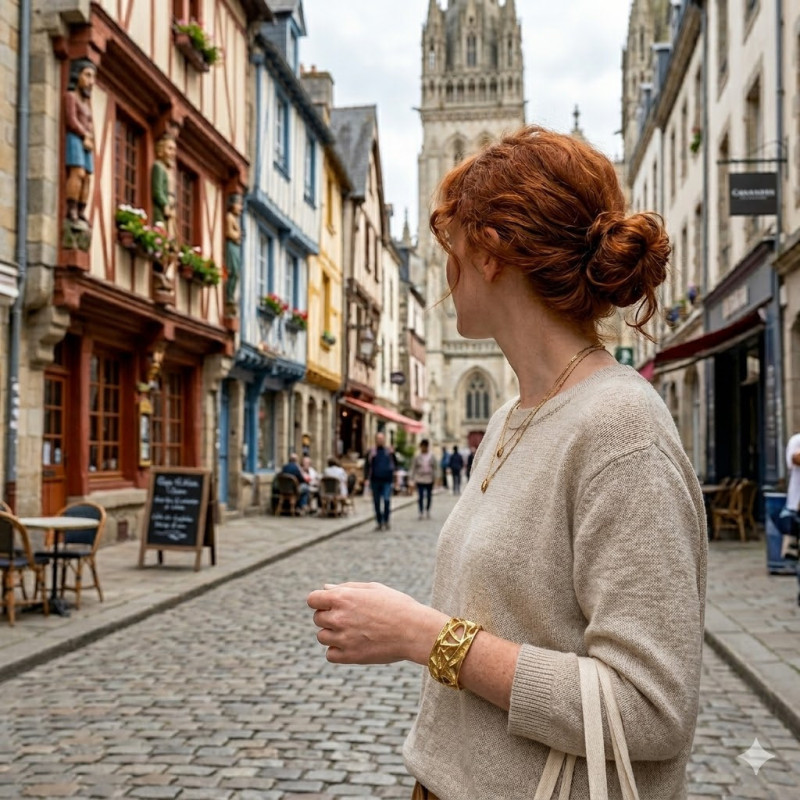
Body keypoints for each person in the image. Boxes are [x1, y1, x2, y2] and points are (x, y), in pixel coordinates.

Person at [308, 126, 706, 799]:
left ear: (491, 252)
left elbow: (650, 710)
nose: (445, 271)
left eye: (451, 246)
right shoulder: (509, 418)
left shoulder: (621, 429)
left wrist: (426, 636)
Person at [64, 59, 96, 227]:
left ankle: (82, 209)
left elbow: (90, 122)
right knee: (78, 173)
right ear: (77, 76)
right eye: (87, 75)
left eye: (92, 77)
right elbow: (71, 120)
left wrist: (90, 137)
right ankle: (72, 208)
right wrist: (85, 135)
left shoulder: (86, 103)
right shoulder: (71, 97)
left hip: (86, 142)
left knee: (88, 177)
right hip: (76, 138)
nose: (91, 81)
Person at [365, 432, 396, 531]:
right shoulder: (372, 452)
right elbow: (367, 466)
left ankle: (386, 521)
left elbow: (395, 464)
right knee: (376, 502)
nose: (380, 440)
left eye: (382, 438)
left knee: (387, 501)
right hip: (375, 480)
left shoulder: (389, 452)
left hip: (387, 480)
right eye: (378, 438)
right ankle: (379, 522)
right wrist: (366, 478)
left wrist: (394, 478)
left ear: (384, 440)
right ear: (375, 440)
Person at [225, 193, 243, 313]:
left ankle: (230, 296)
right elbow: (228, 233)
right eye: (238, 204)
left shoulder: (234, 219)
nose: (240, 208)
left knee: (236, 272)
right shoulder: (229, 217)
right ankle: (229, 296)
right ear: (232, 204)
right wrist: (238, 235)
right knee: (233, 271)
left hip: (235, 246)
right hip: (231, 246)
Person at [409, 439, 436, 520]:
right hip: (420, 478)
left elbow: (435, 467)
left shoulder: (431, 456)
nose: (424, 448)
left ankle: (427, 510)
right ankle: (421, 511)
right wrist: (411, 479)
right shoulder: (417, 456)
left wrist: (437, 478)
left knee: (429, 496)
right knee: (420, 496)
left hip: (429, 478)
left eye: (425, 446)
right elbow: (413, 468)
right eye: (422, 446)